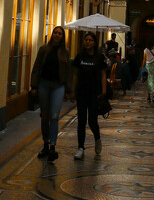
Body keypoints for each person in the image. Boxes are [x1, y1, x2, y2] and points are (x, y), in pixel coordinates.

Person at [30, 25, 72, 162]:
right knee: (44, 116)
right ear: (52, 34)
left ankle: (53, 145)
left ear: (62, 36)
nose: (57, 35)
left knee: (54, 116)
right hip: (44, 85)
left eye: (60, 33)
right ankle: (45, 144)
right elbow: (36, 67)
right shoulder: (43, 50)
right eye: (55, 33)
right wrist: (34, 85)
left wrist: (68, 90)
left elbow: (67, 72)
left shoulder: (65, 52)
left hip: (58, 86)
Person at [72, 32, 107, 160]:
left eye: (90, 40)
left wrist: (103, 91)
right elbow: (75, 74)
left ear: (94, 42)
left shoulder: (99, 57)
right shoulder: (79, 57)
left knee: (92, 121)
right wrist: (72, 90)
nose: (87, 42)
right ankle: (80, 147)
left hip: (94, 94)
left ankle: (97, 138)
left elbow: (103, 74)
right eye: (86, 40)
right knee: (81, 120)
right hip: (81, 93)